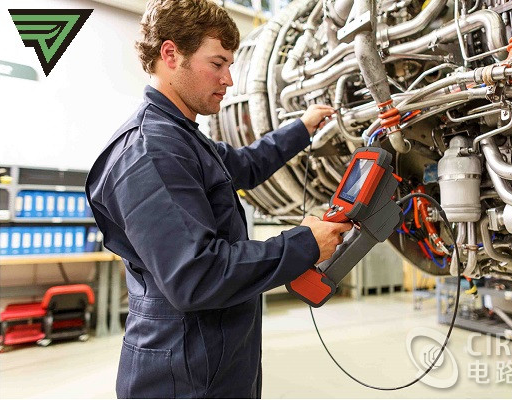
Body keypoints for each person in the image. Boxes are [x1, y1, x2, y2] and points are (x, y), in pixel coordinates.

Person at [85, 0, 353, 398]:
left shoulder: (183, 138)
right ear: (171, 54)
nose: (228, 79)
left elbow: (244, 164)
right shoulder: (150, 150)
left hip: (215, 356)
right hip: (181, 374)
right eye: (217, 63)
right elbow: (198, 275)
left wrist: (302, 127)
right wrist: (305, 244)